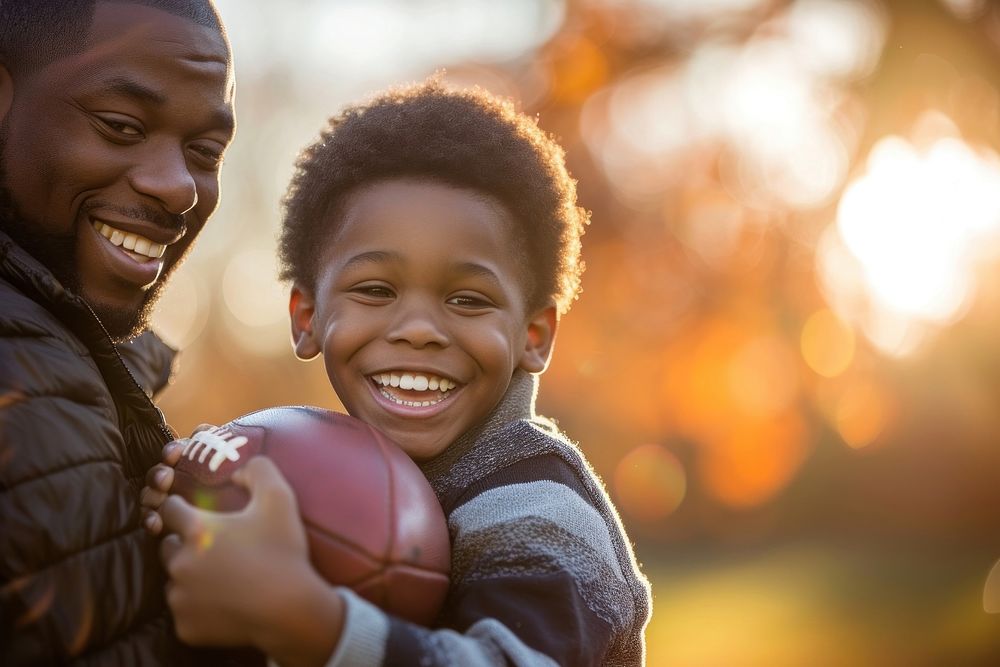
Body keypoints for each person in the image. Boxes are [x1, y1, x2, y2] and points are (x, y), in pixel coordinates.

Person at [143, 80, 651, 666]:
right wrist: (196, 515)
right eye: (376, 290)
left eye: (467, 299)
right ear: (307, 318)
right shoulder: (317, 468)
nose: (418, 330)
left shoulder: (538, 508)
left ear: (533, 337)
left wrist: (310, 622)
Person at [0, 1, 236, 664]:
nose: (179, 187)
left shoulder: (62, 360)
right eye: (121, 126)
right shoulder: (25, 380)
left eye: (205, 151)